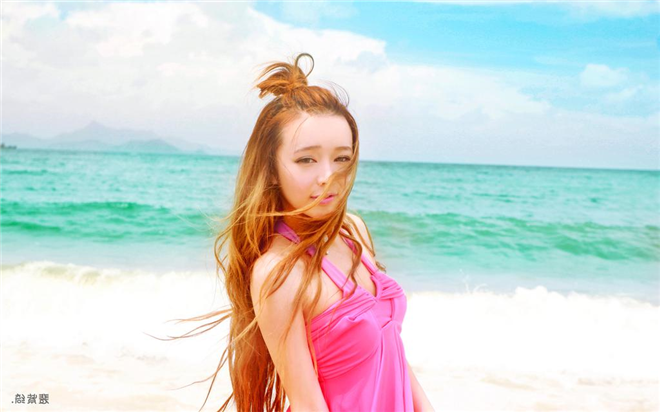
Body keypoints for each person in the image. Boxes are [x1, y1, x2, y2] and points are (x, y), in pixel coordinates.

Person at [167, 53, 434, 412]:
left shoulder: (354, 232)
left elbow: (392, 351)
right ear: (271, 168)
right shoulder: (279, 273)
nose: (328, 176)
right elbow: (307, 403)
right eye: (307, 159)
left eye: (341, 158)